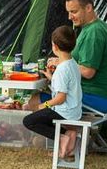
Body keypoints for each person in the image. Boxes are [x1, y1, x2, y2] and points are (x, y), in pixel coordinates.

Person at [23, 25, 83, 158]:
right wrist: (51, 77)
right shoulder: (72, 63)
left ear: (54, 46)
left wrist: (44, 105)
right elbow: (66, 85)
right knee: (42, 115)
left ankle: (62, 137)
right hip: (75, 112)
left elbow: (61, 98)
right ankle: (70, 134)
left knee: (29, 121)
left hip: (64, 113)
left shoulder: (62, 69)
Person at [65, 0, 107, 113]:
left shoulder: (93, 32)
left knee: (38, 101)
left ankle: (67, 132)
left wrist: (62, 64)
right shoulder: (99, 27)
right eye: (68, 12)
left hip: (97, 97)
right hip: (105, 95)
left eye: (74, 12)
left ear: (88, 7)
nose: (70, 17)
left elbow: (88, 71)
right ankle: (70, 132)